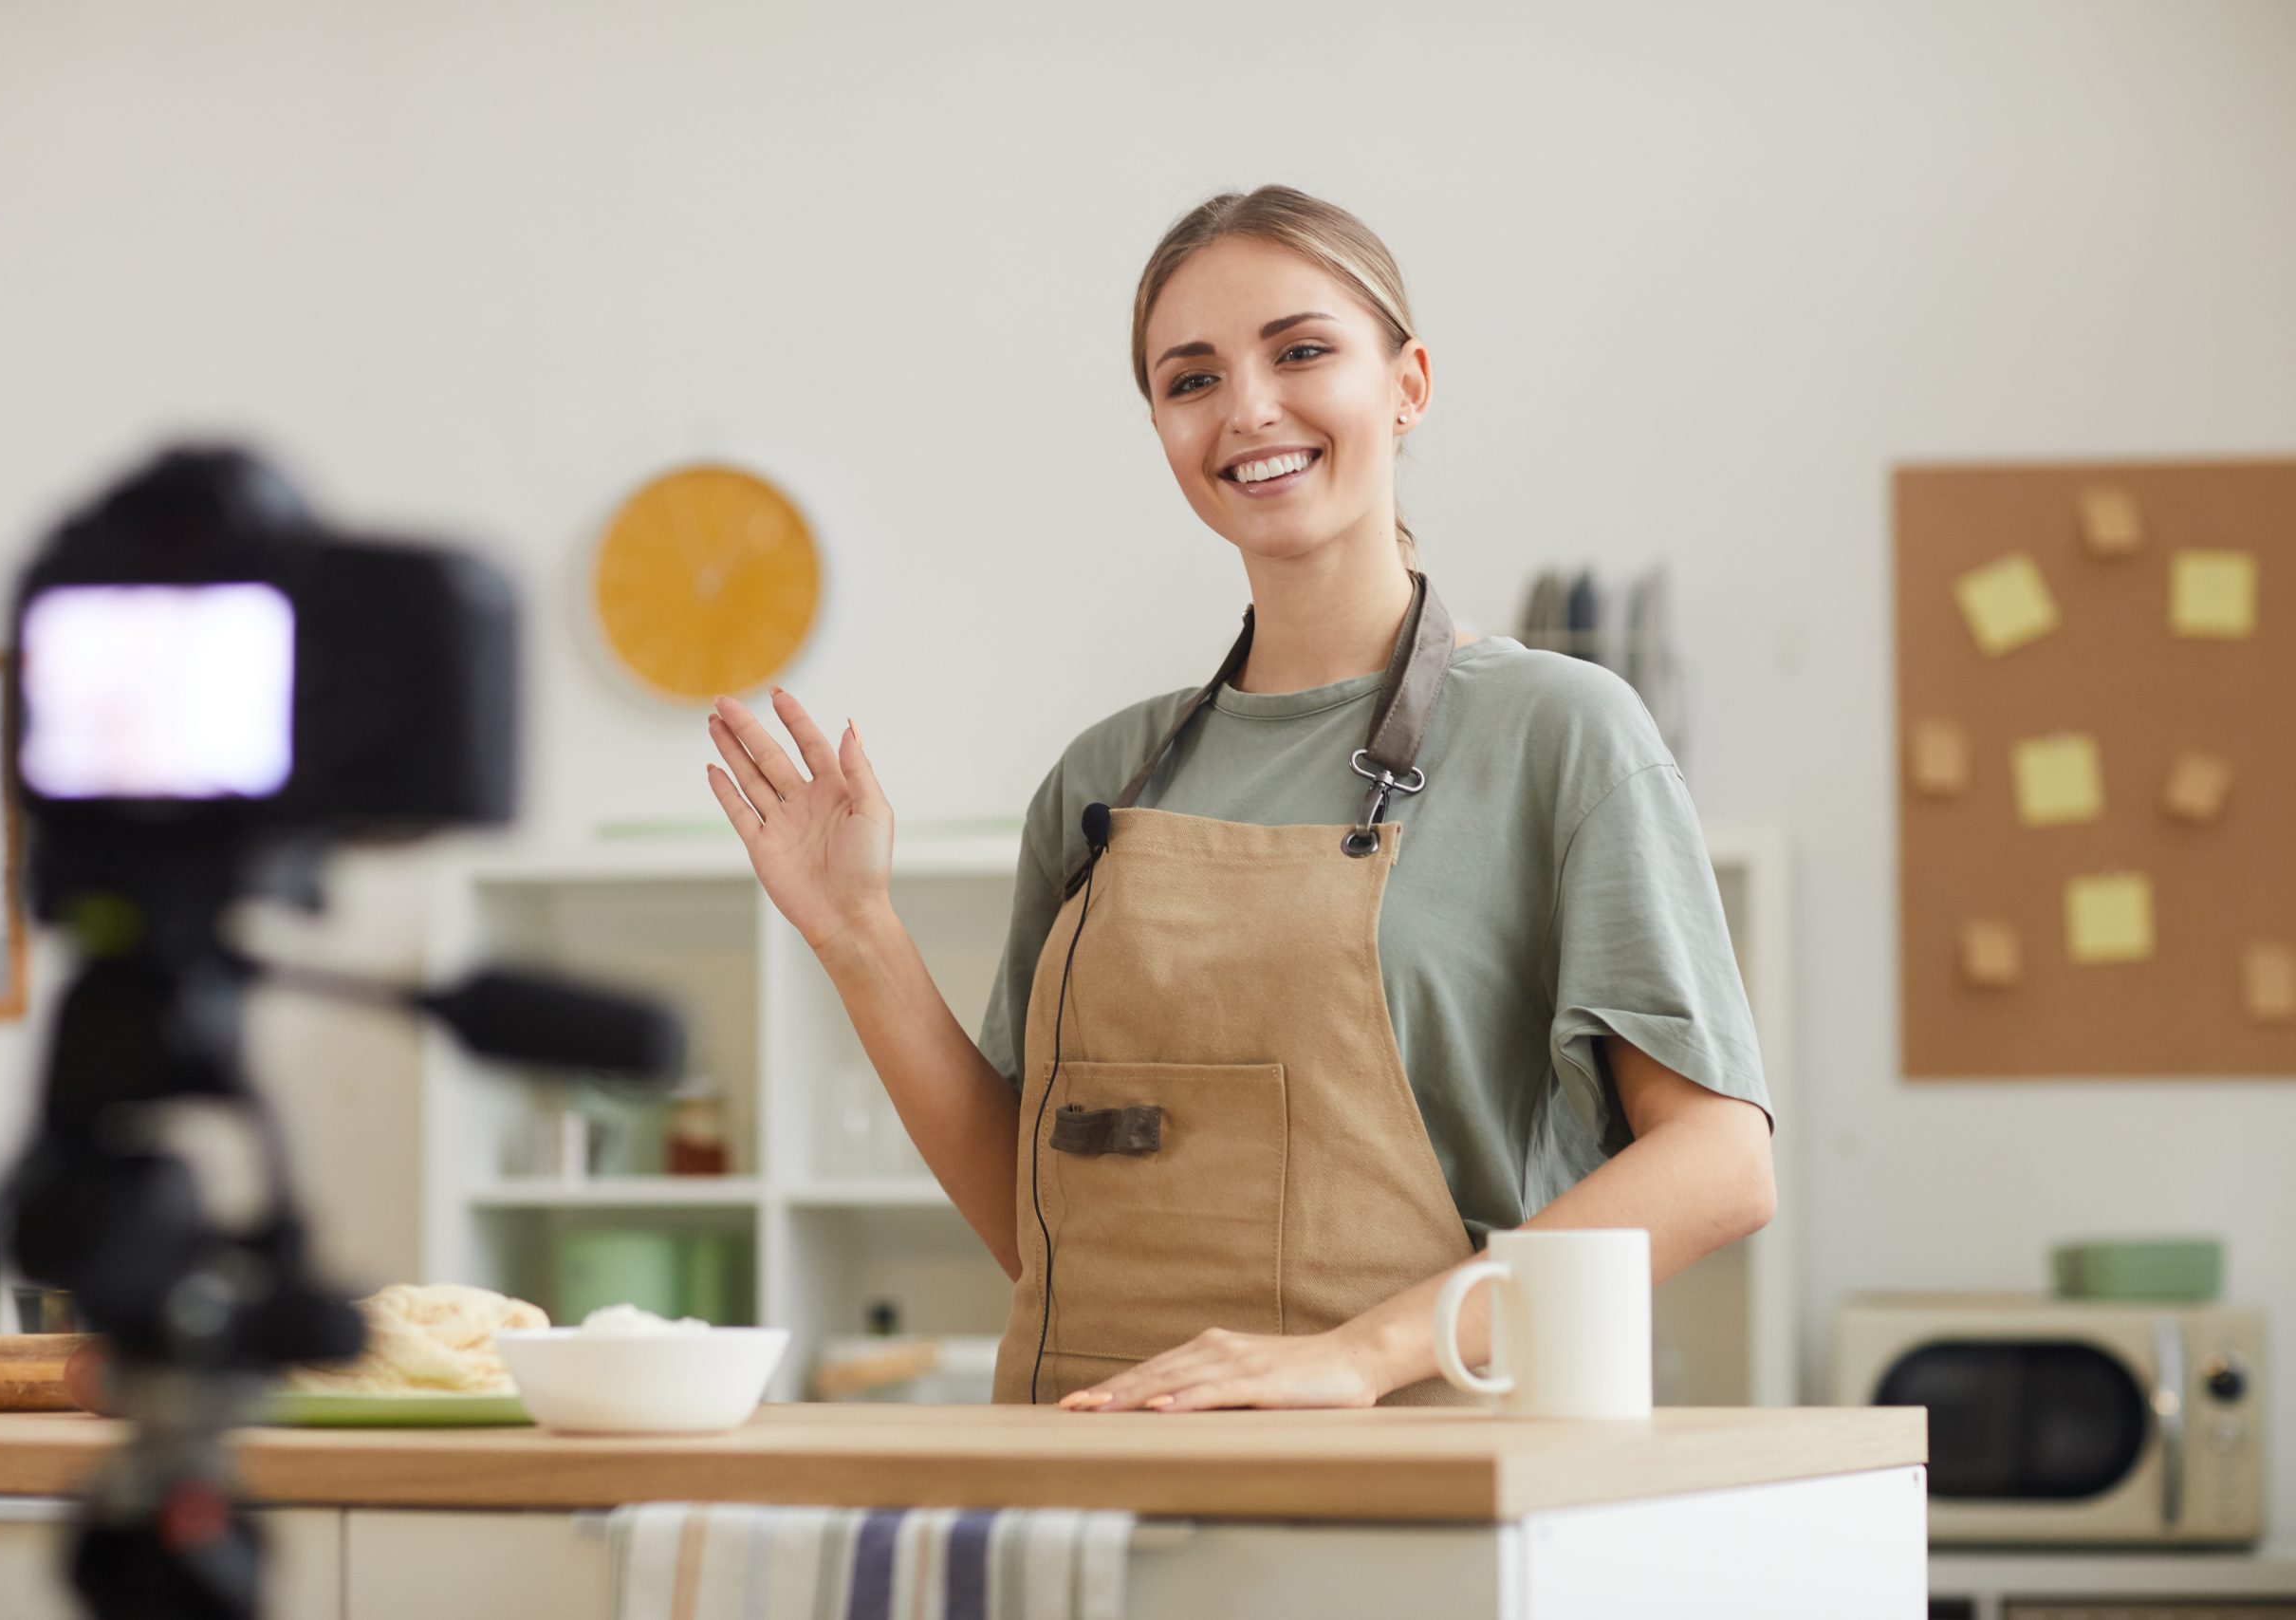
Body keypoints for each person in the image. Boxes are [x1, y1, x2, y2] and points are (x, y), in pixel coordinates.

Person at [706, 185, 1774, 1412]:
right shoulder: (1104, 780)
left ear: (1408, 385)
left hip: (1417, 1486)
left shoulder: (1558, 733)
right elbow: (1038, 1222)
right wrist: (857, 936)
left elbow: (1720, 1163)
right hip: (1085, 1482)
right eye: (1191, 378)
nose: (1248, 409)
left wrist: (1358, 1354)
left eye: (1303, 351)